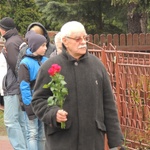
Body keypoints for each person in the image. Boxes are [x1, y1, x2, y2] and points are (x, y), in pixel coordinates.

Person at [31, 21, 125, 150]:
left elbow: (108, 104)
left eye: (85, 38)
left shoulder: (97, 66)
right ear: (65, 41)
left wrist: (116, 142)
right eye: (77, 38)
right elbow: (38, 100)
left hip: (92, 141)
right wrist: (53, 114)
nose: (83, 42)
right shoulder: (50, 67)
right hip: (62, 141)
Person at [0, 17, 27, 149]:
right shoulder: (17, 39)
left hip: (12, 87)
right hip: (18, 87)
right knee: (21, 121)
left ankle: (20, 148)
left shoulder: (10, 43)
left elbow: (16, 66)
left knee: (10, 121)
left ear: (3, 29)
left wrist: (19, 85)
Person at [18, 30, 47, 150]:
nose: (46, 48)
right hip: (31, 103)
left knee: (42, 135)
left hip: (44, 103)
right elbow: (24, 86)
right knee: (32, 134)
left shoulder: (45, 61)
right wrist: (29, 106)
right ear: (35, 46)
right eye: (43, 45)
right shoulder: (25, 63)